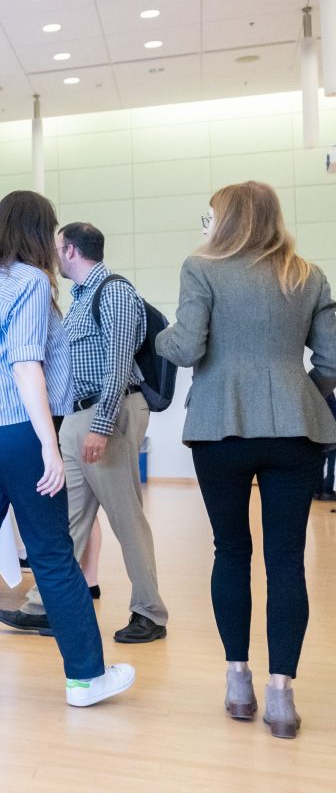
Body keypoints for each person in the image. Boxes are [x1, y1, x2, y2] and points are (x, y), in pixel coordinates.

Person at [0, 190, 134, 712]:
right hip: (15, 431)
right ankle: (86, 676)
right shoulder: (32, 282)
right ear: (40, 232)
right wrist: (48, 446)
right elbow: (25, 364)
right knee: (54, 553)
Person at [156, 181, 336, 739]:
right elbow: (330, 359)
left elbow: (187, 348)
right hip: (295, 427)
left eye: (209, 215)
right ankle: (282, 696)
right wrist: (293, 389)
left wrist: (157, 336)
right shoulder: (307, 274)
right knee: (286, 561)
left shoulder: (201, 267)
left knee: (230, 549)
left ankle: (239, 680)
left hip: (219, 426)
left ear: (226, 219)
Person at [0, 221, 167, 643]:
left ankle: (150, 613)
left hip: (108, 414)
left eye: (56, 248)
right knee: (66, 520)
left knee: (126, 518)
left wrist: (102, 425)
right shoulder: (80, 299)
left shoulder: (115, 292)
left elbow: (120, 362)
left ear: (70, 250)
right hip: (75, 417)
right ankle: (46, 606)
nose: (51, 256)